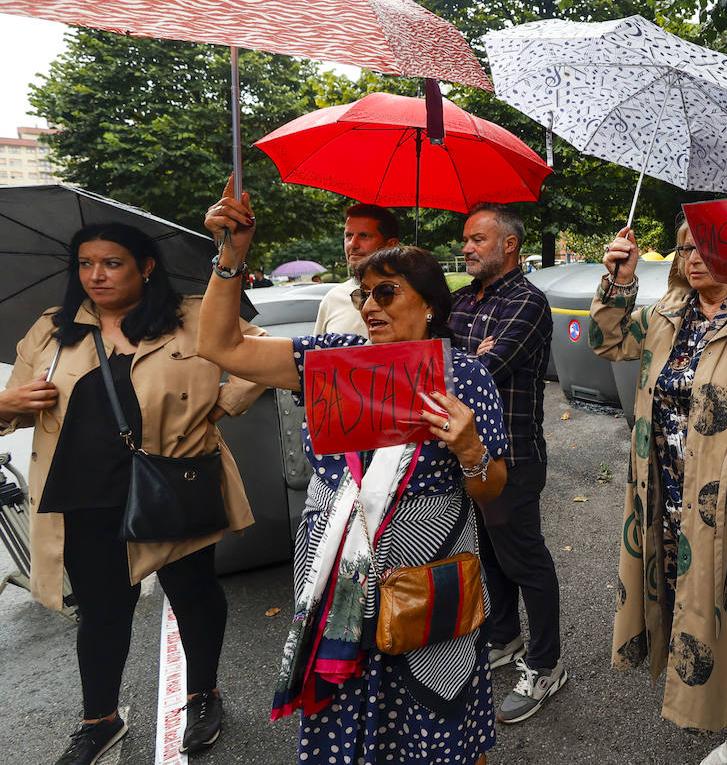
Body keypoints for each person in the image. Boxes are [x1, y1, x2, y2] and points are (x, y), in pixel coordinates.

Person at [199, 185, 509, 765]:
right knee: (342, 708)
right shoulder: (331, 359)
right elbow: (218, 344)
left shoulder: (464, 377)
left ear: (430, 305)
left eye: (387, 292)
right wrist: (231, 257)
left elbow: (492, 487)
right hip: (335, 572)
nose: (370, 306)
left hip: (428, 578)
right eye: (364, 293)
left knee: (438, 719)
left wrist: (468, 446)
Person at [0, 222, 263, 765]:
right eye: (86, 264)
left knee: (193, 593)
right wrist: (8, 407)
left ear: (145, 266)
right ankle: (100, 719)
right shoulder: (52, 330)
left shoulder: (191, 316)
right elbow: (10, 405)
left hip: (172, 483)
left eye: (112, 263)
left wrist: (221, 404)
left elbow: (259, 357)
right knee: (101, 611)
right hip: (83, 492)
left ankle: (203, 695)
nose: (96, 275)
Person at [592, 220, 727, 765]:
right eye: (685, 246)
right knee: (698, 606)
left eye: (706, 246)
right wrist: (619, 279)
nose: (693, 255)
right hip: (669, 491)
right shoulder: (665, 314)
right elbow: (607, 339)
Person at [446, 203, 564, 724]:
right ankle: (505, 635)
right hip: (468, 455)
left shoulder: (530, 302)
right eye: (466, 240)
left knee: (524, 558)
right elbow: (434, 357)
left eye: (477, 239)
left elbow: (479, 371)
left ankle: (546, 664)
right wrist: (466, 357)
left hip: (513, 456)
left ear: (509, 245)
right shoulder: (460, 299)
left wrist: (464, 358)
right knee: (491, 555)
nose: (467, 248)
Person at [313, 203, 401, 336]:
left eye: (364, 235)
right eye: (348, 235)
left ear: (391, 245)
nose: (352, 244)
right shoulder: (333, 299)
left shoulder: (412, 295)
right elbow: (316, 352)